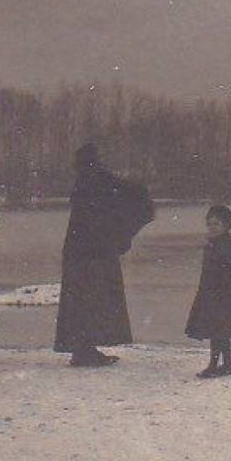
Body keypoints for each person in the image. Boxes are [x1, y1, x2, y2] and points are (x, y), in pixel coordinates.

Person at [53, 143, 154, 367]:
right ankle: (85, 350)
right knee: (94, 301)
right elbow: (141, 200)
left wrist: (119, 236)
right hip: (95, 252)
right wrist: (121, 236)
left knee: (84, 301)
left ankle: (83, 349)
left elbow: (137, 201)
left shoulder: (90, 182)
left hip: (83, 252)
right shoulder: (103, 181)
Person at [186, 205, 231, 378]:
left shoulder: (227, 245)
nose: (211, 227)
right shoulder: (215, 244)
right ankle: (225, 365)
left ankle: (217, 365)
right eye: (209, 224)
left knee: (218, 331)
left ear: (226, 226)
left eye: (216, 224)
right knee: (218, 332)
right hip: (213, 294)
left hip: (223, 295)